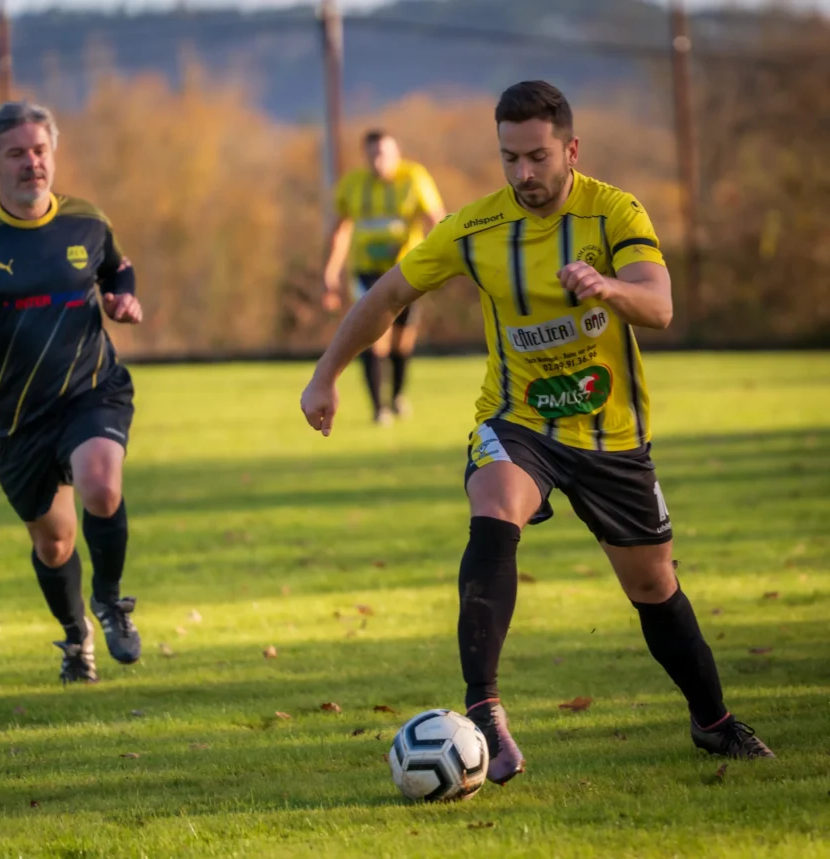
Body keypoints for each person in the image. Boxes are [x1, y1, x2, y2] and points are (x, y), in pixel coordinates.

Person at [301, 81, 774, 782]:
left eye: (537, 157)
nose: (523, 173)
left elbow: (659, 305)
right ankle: (486, 711)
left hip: (610, 433)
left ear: (570, 150)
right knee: (495, 506)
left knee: (654, 585)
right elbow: (390, 294)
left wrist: (610, 288)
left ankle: (713, 721)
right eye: (509, 158)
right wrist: (325, 374)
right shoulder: (475, 228)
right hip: (518, 420)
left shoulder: (614, 211)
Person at [0, 101, 144, 685]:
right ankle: (76, 637)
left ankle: (110, 601)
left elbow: (118, 268)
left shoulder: (86, 220)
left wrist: (122, 298)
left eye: (39, 151)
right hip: (17, 416)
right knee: (55, 543)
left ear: (52, 155)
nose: (31, 163)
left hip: (91, 389)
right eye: (17, 153)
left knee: (101, 485)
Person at [322, 130, 445, 425]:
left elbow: (437, 221)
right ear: (365, 156)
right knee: (373, 335)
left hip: (407, 270)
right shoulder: (352, 185)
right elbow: (340, 230)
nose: (379, 161)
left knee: (403, 339)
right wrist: (330, 272)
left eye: (384, 154)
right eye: (373, 155)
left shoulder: (414, 178)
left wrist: (442, 261)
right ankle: (379, 409)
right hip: (366, 271)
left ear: (397, 154)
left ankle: (397, 396)